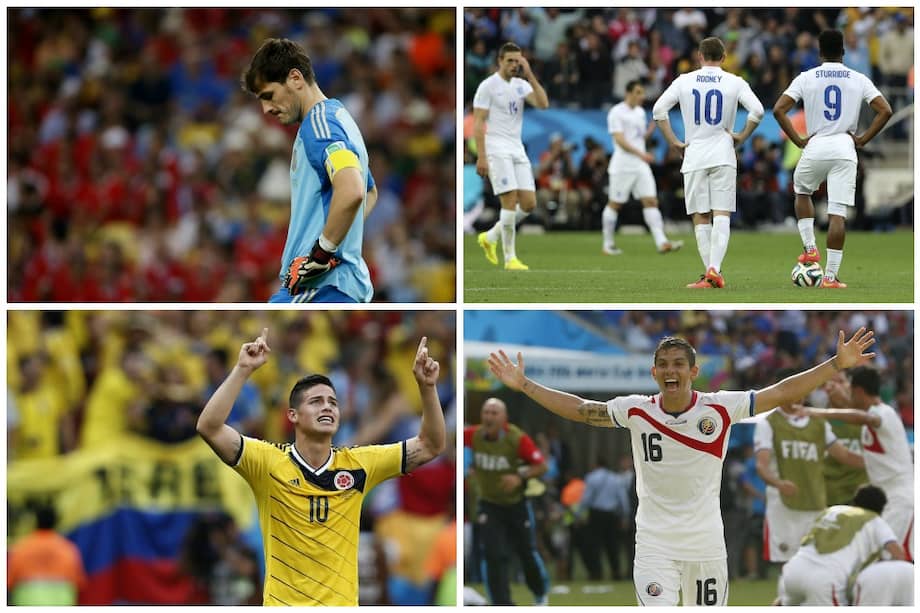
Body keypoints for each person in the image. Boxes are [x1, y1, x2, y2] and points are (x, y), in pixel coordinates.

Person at [487, 328, 876, 606]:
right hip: (655, 543)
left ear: (693, 372)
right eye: (663, 365)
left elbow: (780, 393)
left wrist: (833, 365)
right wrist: (525, 385)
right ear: (654, 373)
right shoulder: (635, 409)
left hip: (705, 544)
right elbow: (581, 410)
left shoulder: (721, 407)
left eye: (678, 364)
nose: (670, 370)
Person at [196, 329, 446, 605]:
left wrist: (427, 388)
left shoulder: (360, 465)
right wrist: (243, 369)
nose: (327, 407)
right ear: (293, 415)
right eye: (316, 402)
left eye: (333, 403)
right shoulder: (266, 462)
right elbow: (209, 427)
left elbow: (430, 445)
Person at [242, 38, 379, 303]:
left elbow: (352, 191)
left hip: (319, 286)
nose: (266, 109)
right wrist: (337, 237)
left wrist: (322, 252)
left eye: (268, 96)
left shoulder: (319, 125)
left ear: (295, 78)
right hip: (333, 285)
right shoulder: (340, 119)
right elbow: (369, 190)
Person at [772, 29, 892, 288]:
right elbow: (885, 110)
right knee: (838, 214)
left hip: (816, 144)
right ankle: (830, 277)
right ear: (843, 52)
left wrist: (798, 140)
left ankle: (810, 248)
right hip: (845, 147)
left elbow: (779, 109)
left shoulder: (807, 77)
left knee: (802, 191)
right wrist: (863, 139)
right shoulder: (858, 78)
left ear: (819, 51)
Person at [652, 37, 764, 289]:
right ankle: (714, 271)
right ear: (724, 58)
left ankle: (710, 273)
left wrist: (675, 143)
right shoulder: (735, 82)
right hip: (724, 153)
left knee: (701, 216)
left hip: (694, 154)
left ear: (699, 57)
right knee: (722, 213)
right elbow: (757, 111)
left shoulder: (684, 81)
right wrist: (741, 137)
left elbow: (659, 111)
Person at [800, 365, 913, 561]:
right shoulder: (873, 415)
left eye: (851, 391)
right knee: (889, 558)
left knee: (890, 559)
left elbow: (863, 416)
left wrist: (814, 413)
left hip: (900, 499)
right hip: (890, 498)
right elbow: (852, 410)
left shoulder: (884, 414)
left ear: (859, 391)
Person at [753, 369, 865, 564]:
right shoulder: (769, 423)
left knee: (820, 564)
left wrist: (880, 462)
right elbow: (762, 466)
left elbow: (845, 455)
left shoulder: (817, 423)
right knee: (787, 568)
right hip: (784, 508)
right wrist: (778, 483)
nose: (799, 395)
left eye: (803, 390)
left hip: (815, 505)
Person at [464, 398, 550, 605]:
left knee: (526, 553)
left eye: (494, 413)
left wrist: (519, 477)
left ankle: (540, 594)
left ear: (504, 418)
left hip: (516, 504)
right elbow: (451, 441)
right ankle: (502, 605)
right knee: (493, 555)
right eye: (486, 412)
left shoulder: (516, 438)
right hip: (489, 504)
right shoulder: (472, 435)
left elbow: (541, 466)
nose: (489, 416)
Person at [473, 42, 549, 271]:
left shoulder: (522, 85)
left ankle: (490, 236)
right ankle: (510, 259)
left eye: (518, 61)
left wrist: (530, 74)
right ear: (500, 61)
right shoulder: (488, 86)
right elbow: (478, 124)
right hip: (496, 148)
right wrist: (482, 156)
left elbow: (544, 104)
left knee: (528, 204)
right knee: (509, 201)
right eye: (510, 61)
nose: (515, 65)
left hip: (517, 148)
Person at [778, 484, 906, 606]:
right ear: (881, 508)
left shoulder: (832, 510)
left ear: (855, 501)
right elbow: (898, 554)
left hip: (794, 570)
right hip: (824, 580)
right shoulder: (875, 520)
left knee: (783, 605)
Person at [603, 80, 683, 256]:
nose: (642, 96)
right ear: (628, 93)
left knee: (651, 201)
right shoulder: (616, 112)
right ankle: (607, 244)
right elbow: (620, 140)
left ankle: (662, 242)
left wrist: (649, 132)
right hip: (623, 164)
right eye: (638, 92)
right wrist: (642, 154)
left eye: (642, 93)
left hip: (640, 164)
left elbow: (637, 138)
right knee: (615, 204)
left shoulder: (640, 113)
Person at [7, 505, 87, 605]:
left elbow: (10, 581)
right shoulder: (68, 549)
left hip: (28, 600)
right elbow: (79, 582)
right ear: (56, 522)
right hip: (61, 600)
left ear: (35, 521)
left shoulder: (22, 548)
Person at [580, 456, 632, 581]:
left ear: (596, 464)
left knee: (594, 545)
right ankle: (616, 572)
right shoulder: (616, 478)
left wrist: (579, 514)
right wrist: (625, 515)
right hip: (612, 515)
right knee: (612, 545)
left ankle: (596, 573)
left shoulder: (591, 477)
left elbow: (586, 499)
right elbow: (622, 499)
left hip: (596, 513)